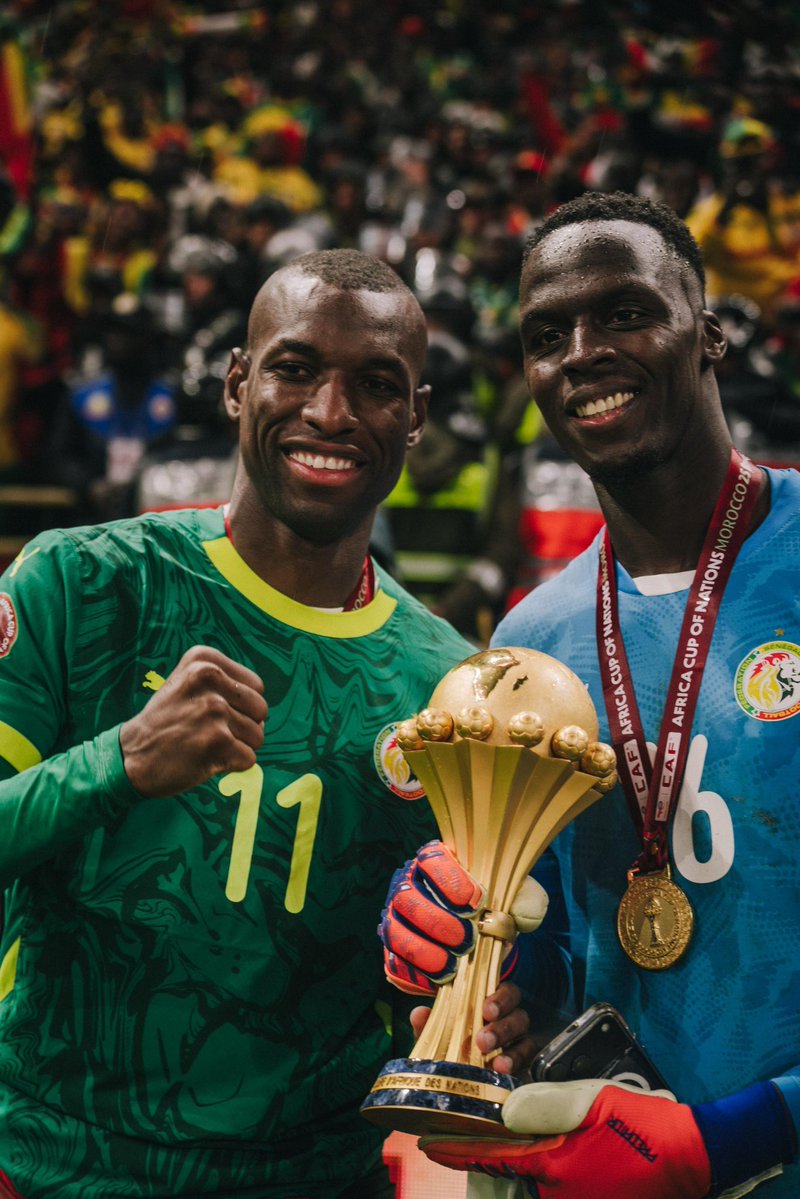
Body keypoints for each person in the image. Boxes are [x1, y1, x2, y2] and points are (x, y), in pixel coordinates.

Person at [0, 248, 531, 1199]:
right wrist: (116, 762)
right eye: (295, 369)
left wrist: (448, 966)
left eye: (375, 385)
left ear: (414, 418)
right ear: (239, 385)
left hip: (315, 1178)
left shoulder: (449, 686)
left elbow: (429, 991)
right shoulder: (79, 585)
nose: (330, 413)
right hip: (54, 1164)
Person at [381, 193, 800, 1197]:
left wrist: (729, 1139)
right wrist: (476, 957)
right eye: (544, 334)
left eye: (621, 312)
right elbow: (559, 945)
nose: (578, 352)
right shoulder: (535, 642)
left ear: (706, 332)